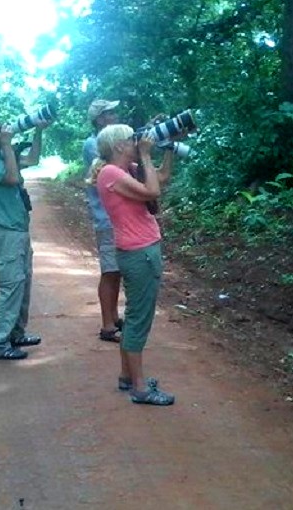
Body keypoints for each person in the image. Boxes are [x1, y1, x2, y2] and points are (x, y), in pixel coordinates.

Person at [90, 124, 176, 406]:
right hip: (139, 253)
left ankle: (128, 377)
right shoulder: (111, 173)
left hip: (139, 250)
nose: (136, 142)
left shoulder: (124, 170)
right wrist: (147, 155)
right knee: (139, 319)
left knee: (135, 316)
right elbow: (153, 192)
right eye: (130, 139)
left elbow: (160, 178)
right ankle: (140, 388)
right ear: (117, 146)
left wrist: (169, 148)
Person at [0, 116, 48, 360]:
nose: (2, 131)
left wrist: (38, 131)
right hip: (3, 228)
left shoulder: (2, 155)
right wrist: (7, 146)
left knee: (23, 282)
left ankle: (16, 333)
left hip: (18, 226)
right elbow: (12, 178)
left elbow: (32, 160)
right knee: (11, 285)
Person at [83, 99, 123, 343]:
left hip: (115, 218)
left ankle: (115, 317)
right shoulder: (93, 145)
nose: (115, 115)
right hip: (106, 218)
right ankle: (107, 326)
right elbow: (114, 164)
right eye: (110, 113)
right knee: (109, 272)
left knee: (116, 270)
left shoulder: (108, 143)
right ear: (99, 119)